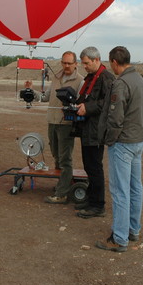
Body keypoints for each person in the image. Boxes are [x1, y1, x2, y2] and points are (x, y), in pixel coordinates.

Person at [95, 46, 143, 252]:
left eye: (110, 64)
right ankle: (133, 230)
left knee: (120, 191)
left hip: (123, 144)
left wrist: (110, 140)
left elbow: (115, 118)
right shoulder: (140, 80)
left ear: (115, 63)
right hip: (138, 141)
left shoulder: (121, 83)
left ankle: (119, 238)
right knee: (135, 188)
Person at [25, 51, 83, 204]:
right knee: (56, 155)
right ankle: (62, 184)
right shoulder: (56, 78)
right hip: (52, 121)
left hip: (66, 125)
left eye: (70, 63)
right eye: (64, 62)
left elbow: (81, 104)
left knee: (65, 158)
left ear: (76, 64)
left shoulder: (80, 81)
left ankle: (62, 193)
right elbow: (45, 97)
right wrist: (32, 90)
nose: (66, 65)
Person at [74, 47, 115, 219]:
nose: (84, 66)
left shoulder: (106, 78)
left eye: (86, 63)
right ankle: (91, 199)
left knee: (94, 168)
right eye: (83, 63)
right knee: (89, 166)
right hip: (87, 129)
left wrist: (87, 108)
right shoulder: (91, 77)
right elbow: (88, 97)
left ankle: (98, 205)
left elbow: (106, 104)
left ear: (96, 59)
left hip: (96, 130)